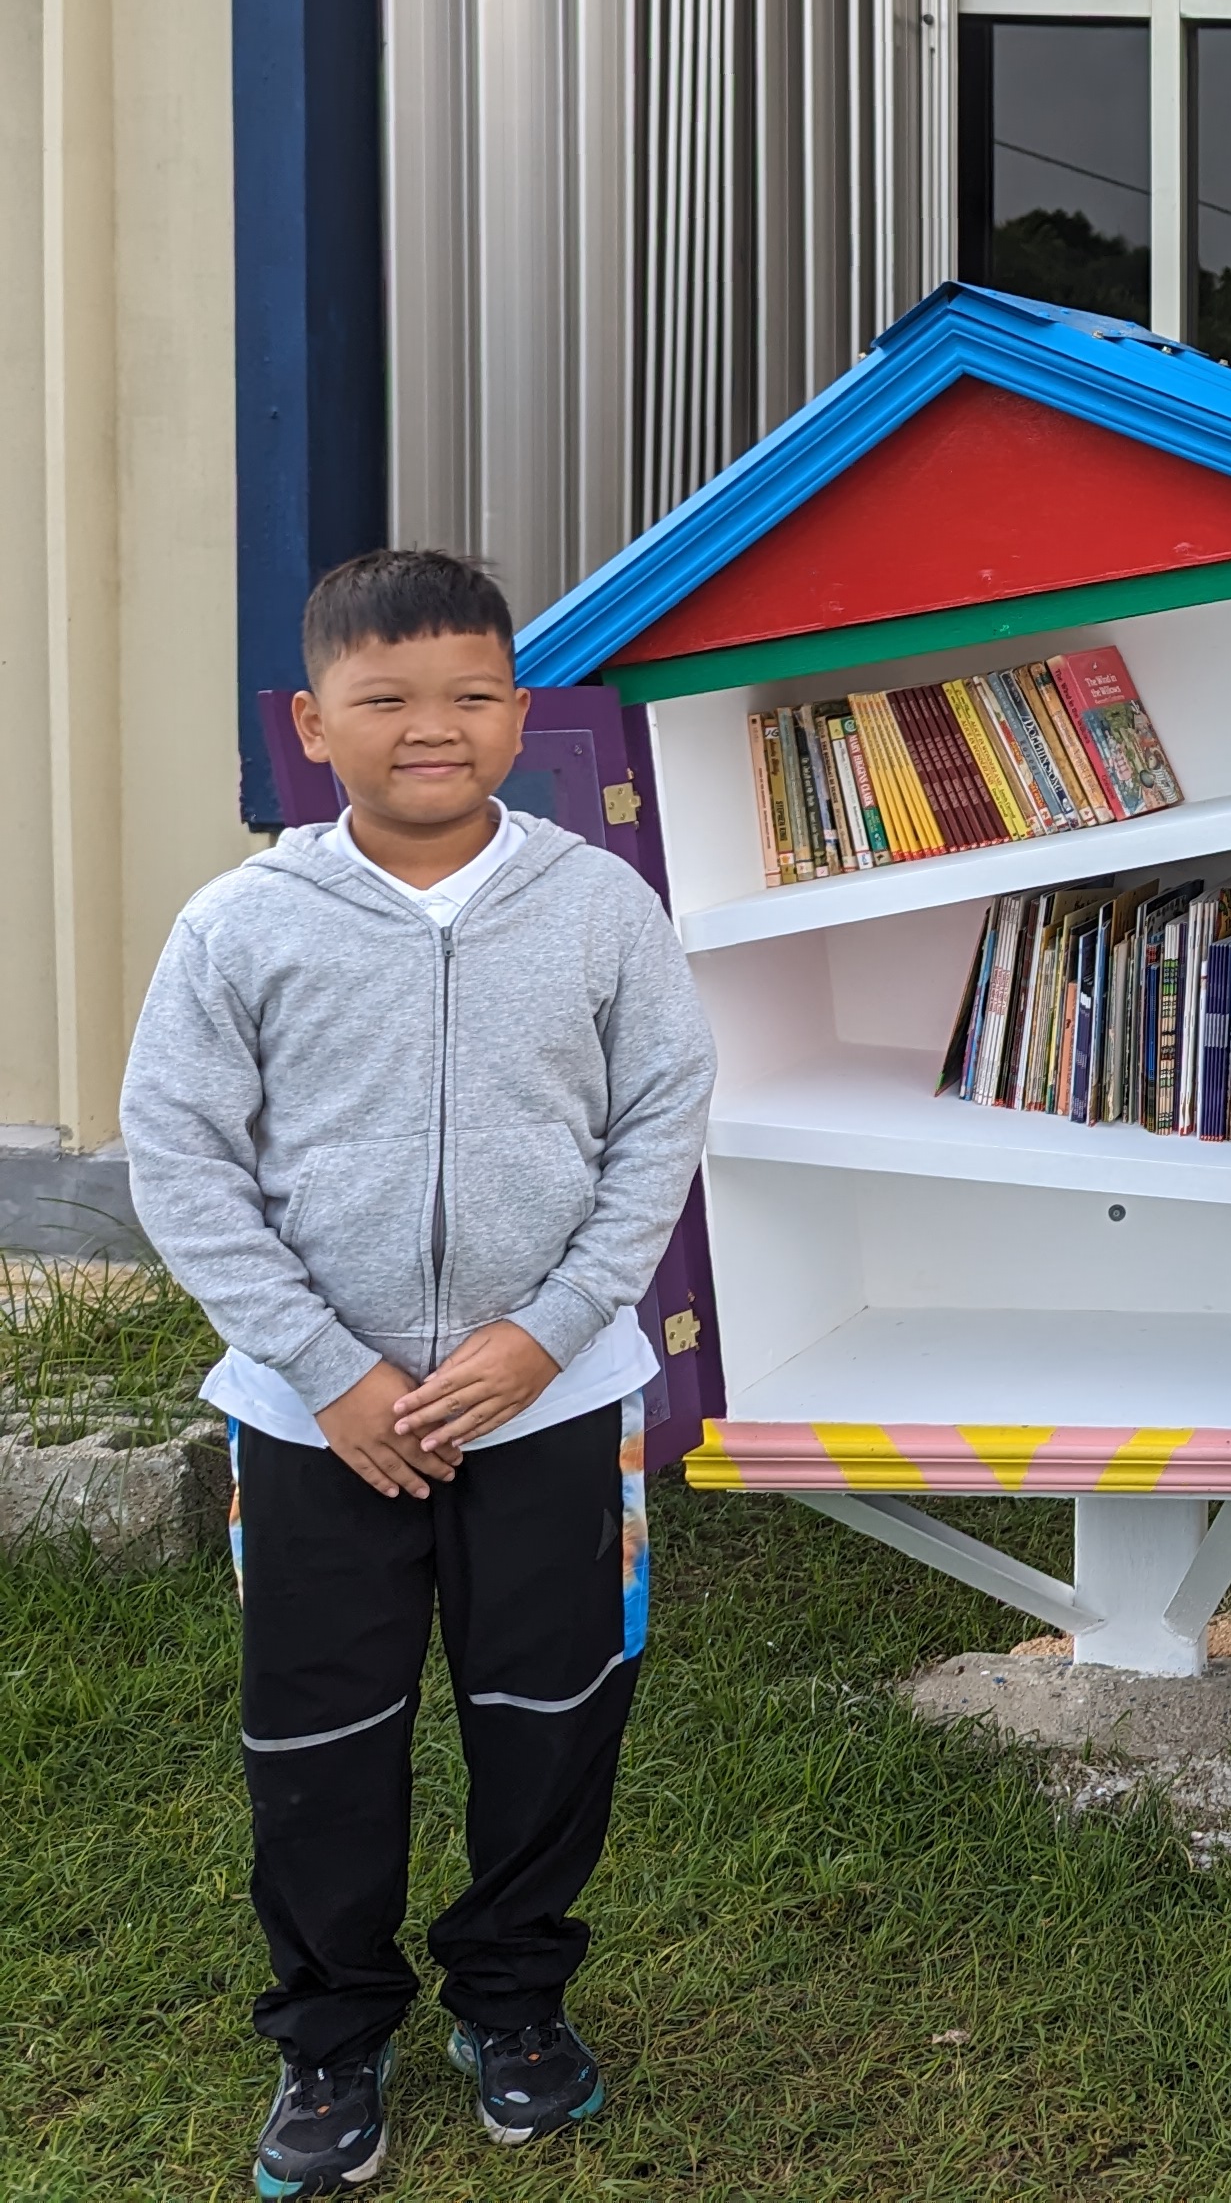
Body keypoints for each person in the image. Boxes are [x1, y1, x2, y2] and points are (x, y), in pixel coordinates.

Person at [122, 550, 715, 2199]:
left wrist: (541, 1338)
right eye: (385, 699)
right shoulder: (243, 923)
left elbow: (658, 1121)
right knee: (322, 1732)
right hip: (322, 1424)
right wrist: (325, 1370)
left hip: (552, 1401)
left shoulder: (599, 907)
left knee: (546, 1709)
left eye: (468, 694)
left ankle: (515, 2003)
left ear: (522, 716)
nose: (429, 728)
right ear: (316, 724)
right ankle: (330, 2034)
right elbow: (180, 1158)